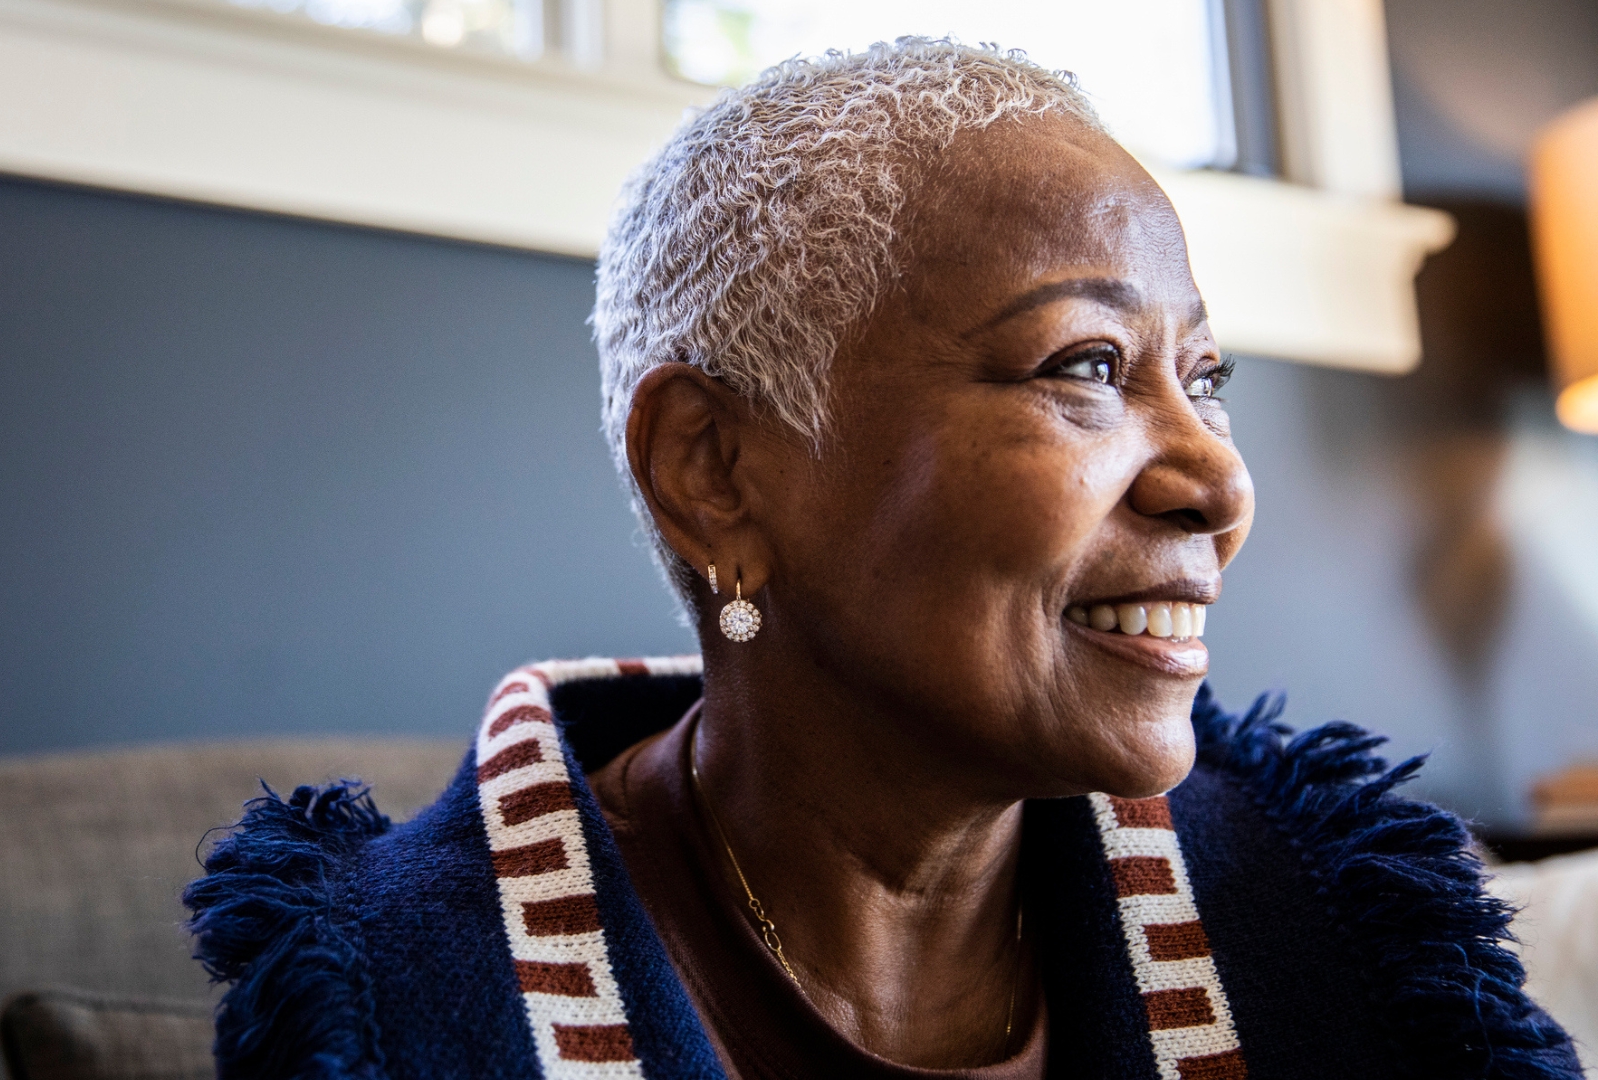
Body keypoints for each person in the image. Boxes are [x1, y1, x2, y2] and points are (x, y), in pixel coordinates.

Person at [184, 39, 1581, 1079]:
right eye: (1085, 365)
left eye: (1203, 377)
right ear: (713, 473)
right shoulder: (399, 1002)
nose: (1219, 478)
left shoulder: (1333, 922)